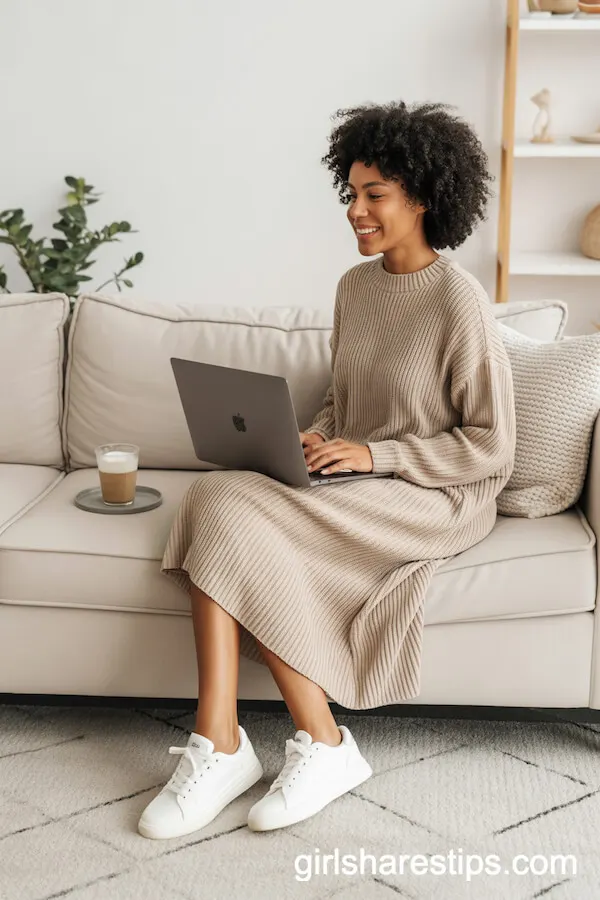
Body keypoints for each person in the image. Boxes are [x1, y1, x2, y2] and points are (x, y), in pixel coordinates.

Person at [138, 100, 516, 841]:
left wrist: (378, 455)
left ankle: (318, 743)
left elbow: (492, 444)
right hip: (362, 478)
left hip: (438, 493)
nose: (355, 210)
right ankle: (223, 743)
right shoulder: (355, 288)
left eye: (376, 194)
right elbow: (347, 400)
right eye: (351, 192)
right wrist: (314, 437)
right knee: (215, 496)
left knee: (236, 514)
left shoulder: (459, 299)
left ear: (423, 198)